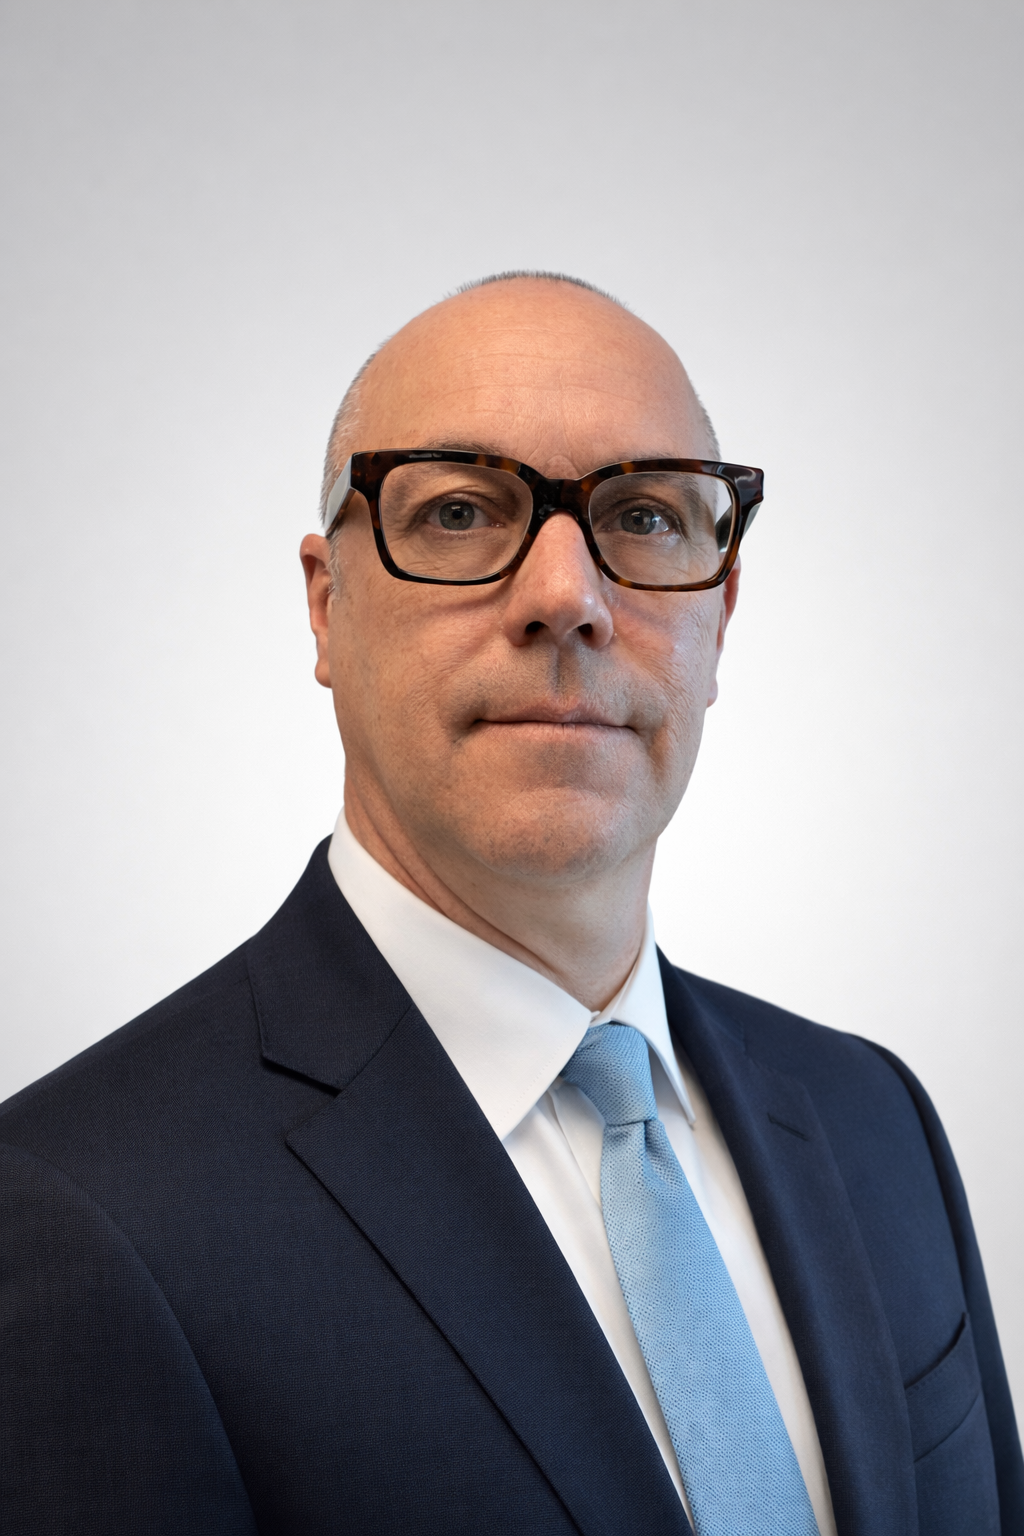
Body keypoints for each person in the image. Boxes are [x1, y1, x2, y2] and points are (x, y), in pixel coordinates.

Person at [0, 272, 1019, 1536]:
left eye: (642, 515)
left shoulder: (877, 1124)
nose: (565, 596)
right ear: (327, 606)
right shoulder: (69, 1214)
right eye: (463, 510)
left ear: (721, 611)